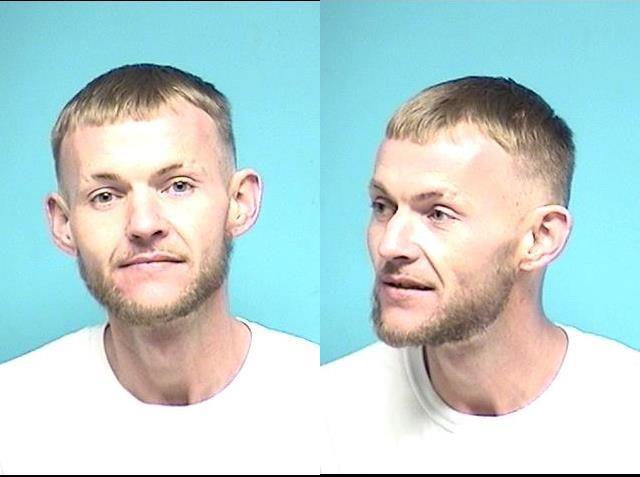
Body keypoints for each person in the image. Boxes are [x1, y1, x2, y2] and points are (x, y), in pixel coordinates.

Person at [0, 64, 318, 474]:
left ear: (240, 202)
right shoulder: (11, 415)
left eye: (178, 186)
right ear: (63, 224)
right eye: (105, 196)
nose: (144, 224)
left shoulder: (324, 401)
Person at [322, 76, 640, 473]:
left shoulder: (628, 413)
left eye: (438, 214)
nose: (390, 245)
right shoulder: (325, 413)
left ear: (539, 238)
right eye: (382, 206)